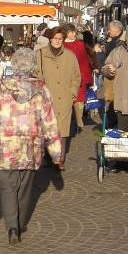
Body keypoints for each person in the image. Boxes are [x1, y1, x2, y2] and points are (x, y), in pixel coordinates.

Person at [0, 48, 63, 245]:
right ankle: (20, 222)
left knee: (7, 188)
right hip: (30, 148)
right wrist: (56, 153)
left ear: (14, 64)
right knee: (25, 189)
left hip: (5, 148)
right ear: (33, 65)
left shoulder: (0, 88)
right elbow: (50, 123)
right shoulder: (41, 90)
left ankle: (12, 228)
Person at [35, 26, 81, 171]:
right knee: (48, 129)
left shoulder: (70, 55)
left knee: (62, 130)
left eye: (60, 38)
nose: (57, 41)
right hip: (47, 98)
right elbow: (35, 74)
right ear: (50, 39)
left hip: (64, 98)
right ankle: (48, 156)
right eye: (55, 38)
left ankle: (60, 158)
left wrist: (72, 93)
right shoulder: (40, 54)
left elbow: (76, 76)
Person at [63, 24, 93, 129]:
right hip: (65, 77)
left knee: (79, 101)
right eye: (70, 32)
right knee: (67, 101)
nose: (73, 34)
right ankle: (68, 120)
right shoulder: (61, 45)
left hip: (79, 76)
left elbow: (85, 61)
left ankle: (79, 122)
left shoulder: (80, 44)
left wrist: (88, 78)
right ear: (66, 33)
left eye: (74, 31)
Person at [102, 20, 124, 125]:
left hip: (119, 74)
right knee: (109, 97)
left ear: (117, 30)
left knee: (117, 97)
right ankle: (112, 119)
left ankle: (116, 120)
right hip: (109, 73)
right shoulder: (111, 40)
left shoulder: (122, 42)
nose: (108, 31)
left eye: (110, 29)